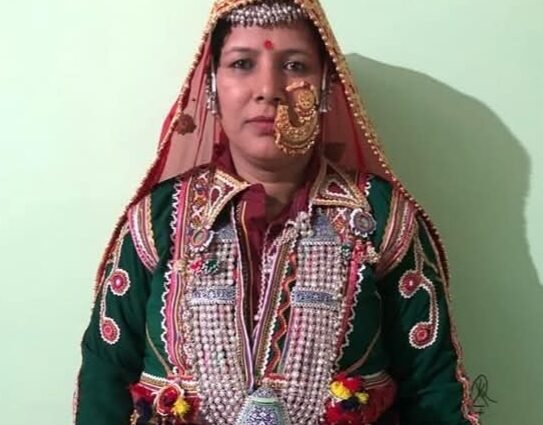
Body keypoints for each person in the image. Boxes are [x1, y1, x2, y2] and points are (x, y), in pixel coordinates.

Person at [73, 1, 481, 424]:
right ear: (211, 87)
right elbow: (105, 381)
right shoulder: (159, 220)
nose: (269, 89)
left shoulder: (378, 217)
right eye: (242, 64)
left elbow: (433, 389)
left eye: (294, 66)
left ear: (325, 88)